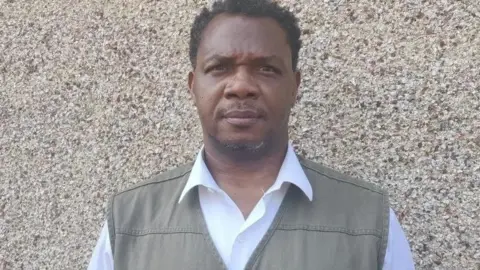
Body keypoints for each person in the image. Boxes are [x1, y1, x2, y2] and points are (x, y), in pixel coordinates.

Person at [87, 0, 415, 269]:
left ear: (294, 87)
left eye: (266, 69)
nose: (241, 86)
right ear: (193, 86)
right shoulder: (130, 220)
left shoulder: (368, 220)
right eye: (220, 67)